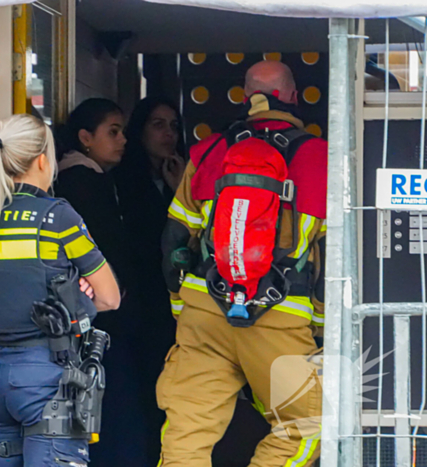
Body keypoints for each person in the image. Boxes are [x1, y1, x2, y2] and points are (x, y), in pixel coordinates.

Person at [158, 60, 327, 467]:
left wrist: (184, 312)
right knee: (305, 426)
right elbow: (331, 263)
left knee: (187, 435)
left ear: (247, 97)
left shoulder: (210, 152)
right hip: (280, 316)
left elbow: (174, 242)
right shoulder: (323, 160)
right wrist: (319, 331)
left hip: (203, 312)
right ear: (293, 97)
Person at [0, 114, 121, 467]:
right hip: (46, 378)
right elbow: (110, 296)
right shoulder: (56, 217)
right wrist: (79, 294)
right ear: (42, 160)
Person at [55, 98, 149, 466]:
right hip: (103, 321)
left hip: (93, 320)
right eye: (113, 131)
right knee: (116, 413)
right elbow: (108, 252)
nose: (124, 139)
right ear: (85, 137)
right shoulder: (83, 182)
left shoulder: (90, 178)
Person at [113, 97, 185, 466]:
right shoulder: (124, 181)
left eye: (173, 125)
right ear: (139, 131)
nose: (168, 134)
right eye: (158, 124)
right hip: (143, 306)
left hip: (179, 306)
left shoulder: (179, 177)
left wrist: (181, 188)